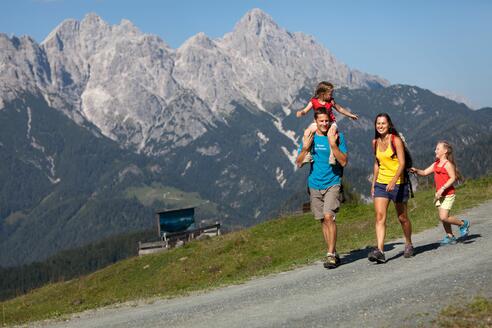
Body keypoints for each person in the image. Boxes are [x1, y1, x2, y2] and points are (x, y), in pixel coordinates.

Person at [296, 108, 348, 269]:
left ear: (330, 121)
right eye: (321, 121)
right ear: (316, 122)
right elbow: (298, 163)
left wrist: (333, 144)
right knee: (322, 220)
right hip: (314, 184)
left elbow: (344, 161)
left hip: (332, 182)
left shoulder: (338, 137)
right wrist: (305, 148)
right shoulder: (310, 138)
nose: (324, 124)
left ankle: (330, 254)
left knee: (328, 217)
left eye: (327, 121)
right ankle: (332, 251)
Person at [369, 113, 414, 263]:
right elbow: (377, 163)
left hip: (398, 183)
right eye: (378, 124)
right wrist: (374, 183)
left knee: (402, 218)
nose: (380, 126)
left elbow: (401, 163)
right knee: (380, 217)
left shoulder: (396, 140)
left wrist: (394, 181)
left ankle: (408, 243)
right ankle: (380, 250)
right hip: (381, 184)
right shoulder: (374, 142)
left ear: (389, 125)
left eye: (383, 123)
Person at [410, 141, 470, 245]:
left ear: (445, 151)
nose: (435, 151)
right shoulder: (436, 164)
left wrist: (442, 188)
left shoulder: (448, 164)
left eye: (438, 149)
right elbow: (424, 172)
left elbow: (453, 178)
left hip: (448, 194)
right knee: (443, 218)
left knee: (444, 217)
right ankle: (450, 236)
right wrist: (416, 170)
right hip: (439, 195)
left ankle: (462, 224)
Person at [296, 81, 358, 165]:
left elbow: (340, 109)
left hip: (331, 122)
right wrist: (301, 112)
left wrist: (350, 115)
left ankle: (332, 156)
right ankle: (307, 154)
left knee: (331, 134)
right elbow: (305, 110)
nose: (331, 96)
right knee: (307, 132)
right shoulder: (313, 101)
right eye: (330, 94)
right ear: (322, 94)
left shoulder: (331, 102)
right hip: (318, 123)